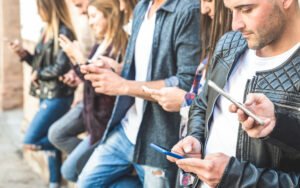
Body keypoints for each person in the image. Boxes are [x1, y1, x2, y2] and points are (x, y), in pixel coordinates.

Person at [168, 0, 300, 187]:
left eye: (246, 10)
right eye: (230, 11)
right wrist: (195, 139)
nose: (235, 24)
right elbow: (203, 103)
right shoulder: (229, 42)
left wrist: (237, 177)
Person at [77, 0, 201, 187]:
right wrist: (115, 68)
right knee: (84, 183)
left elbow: (186, 84)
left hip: (159, 140)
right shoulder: (142, 7)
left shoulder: (188, 9)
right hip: (126, 129)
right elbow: (140, 70)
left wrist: (123, 86)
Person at [48, 0, 129, 183]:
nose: (90, 21)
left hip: (104, 123)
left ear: (110, 15)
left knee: (69, 171)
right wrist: (74, 60)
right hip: (92, 116)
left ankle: (112, 168)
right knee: (59, 140)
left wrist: (80, 60)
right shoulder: (100, 42)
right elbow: (86, 76)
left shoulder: (119, 47)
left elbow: (105, 86)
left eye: (94, 16)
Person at [9, 0, 77, 187]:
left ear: (49, 8)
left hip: (58, 96)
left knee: (31, 140)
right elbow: (39, 65)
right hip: (45, 94)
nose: (38, 14)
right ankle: (54, 183)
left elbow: (60, 67)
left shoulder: (64, 32)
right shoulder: (44, 32)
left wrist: (39, 73)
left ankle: (70, 144)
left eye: (39, 9)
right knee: (50, 151)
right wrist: (23, 54)